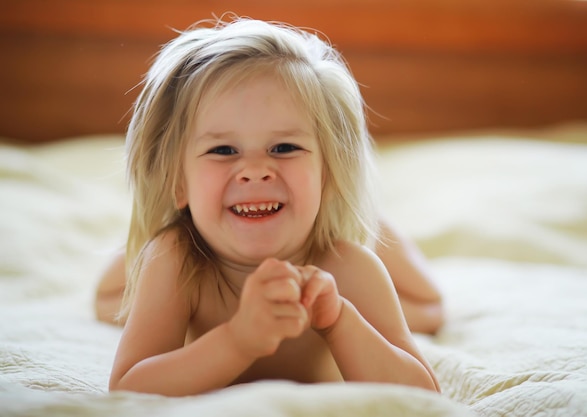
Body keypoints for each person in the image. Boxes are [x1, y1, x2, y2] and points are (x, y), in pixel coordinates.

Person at [97, 17, 441, 396]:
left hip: (333, 229)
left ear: (326, 175)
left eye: (284, 148)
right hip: (188, 237)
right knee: (109, 297)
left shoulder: (349, 268)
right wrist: (238, 339)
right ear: (179, 184)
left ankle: (366, 219)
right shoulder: (175, 259)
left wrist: (339, 319)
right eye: (223, 150)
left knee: (427, 306)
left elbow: (424, 396)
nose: (256, 170)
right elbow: (128, 388)